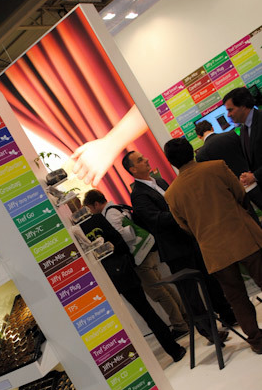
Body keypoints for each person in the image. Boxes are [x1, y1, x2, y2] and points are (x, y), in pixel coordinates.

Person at [163, 137, 262, 354]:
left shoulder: (171, 193)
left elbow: (184, 226)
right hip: (243, 236)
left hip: (214, 251)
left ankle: (257, 341)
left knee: (236, 298)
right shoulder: (217, 167)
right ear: (192, 151)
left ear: (171, 162)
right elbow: (239, 193)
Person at [126, 149, 235, 343]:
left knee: (211, 280)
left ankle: (228, 315)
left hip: (191, 239)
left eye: (144, 157)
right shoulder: (138, 195)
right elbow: (155, 220)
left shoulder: (160, 182)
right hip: (175, 250)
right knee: (191, 293)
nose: (146, 160)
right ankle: (209, 331)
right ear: (133, 169)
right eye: (140, 160)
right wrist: (182, 212)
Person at [78, 211, 186, 363]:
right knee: (147, 312)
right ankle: (174, 350)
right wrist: (127, 262)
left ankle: (131, 361)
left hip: (98, 281)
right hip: (121, 272)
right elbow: (119, 243)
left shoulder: (72, 233)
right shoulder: (96, 219)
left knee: (117, 322)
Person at [83, 189, 189, 338]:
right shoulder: (116, 208)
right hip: (146, 250)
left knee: (158, 292)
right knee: (163, 286)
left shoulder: (110, 214)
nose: (91, 213)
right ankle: (185, 317)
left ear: (95, 204)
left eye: (90, 209)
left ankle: (180, 325)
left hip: (139, 256)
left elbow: (122, 236)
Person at [223, 87, 262, 210]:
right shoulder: (244, 129)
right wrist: (249, 175)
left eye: (230, 110)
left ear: (243, 106)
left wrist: (255, 176)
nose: (228, 115)